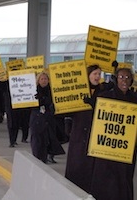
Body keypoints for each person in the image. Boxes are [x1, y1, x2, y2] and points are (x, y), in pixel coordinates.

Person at [88, 67, 137, 200]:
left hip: (126, 148)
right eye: (121, 77)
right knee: (106, 180)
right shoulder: (105, 97)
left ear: (131, 80)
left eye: (127, 77)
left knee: (124, 179)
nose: (124, 81)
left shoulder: (135, 100)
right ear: (116, 79)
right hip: (107, 148)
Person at [65, 64, 114, 192]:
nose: (97, 76)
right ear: (88, 75)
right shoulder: (78, 89)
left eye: (99, 74)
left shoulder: (104, 91)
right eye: (95, 74)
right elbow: (68, 109)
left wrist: (95, 103)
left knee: (92, 170)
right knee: (77, 168)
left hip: (95, 136)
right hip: (79, 134)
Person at [29, 71, 65, 163]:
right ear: (38, 80)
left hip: (49, 119)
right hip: (37, 119)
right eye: (42, 79)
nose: (44, 81)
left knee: (48, 139)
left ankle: (46, 157)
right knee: (37, 140)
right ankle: (37, 157)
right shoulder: (33, 91)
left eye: (45, 79)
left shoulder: (52, 91)